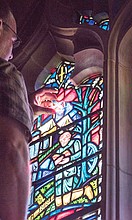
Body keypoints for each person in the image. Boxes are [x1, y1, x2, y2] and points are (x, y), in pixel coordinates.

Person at [0, 1, 57, 219]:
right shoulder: (4, 72)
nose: (12, 54)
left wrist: (25, 110)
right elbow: (10, 147)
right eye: (13, 41)